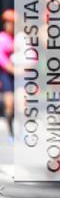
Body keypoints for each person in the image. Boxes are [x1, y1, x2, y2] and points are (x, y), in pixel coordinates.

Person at [0, 10, 16, 138]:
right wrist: (9, 68)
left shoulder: (20, 38)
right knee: (9, 103)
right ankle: (10, 131)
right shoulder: (2, 38)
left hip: (20, 74)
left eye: (11, 23)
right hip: (6, 74)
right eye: (7, 23)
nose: (8, 26)